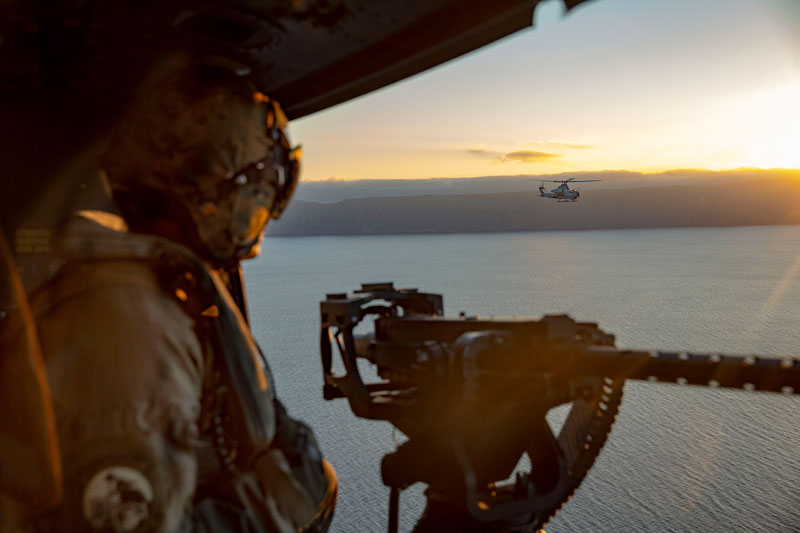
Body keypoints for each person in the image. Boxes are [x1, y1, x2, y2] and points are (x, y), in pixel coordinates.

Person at [0, 54, 336, 532]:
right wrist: (289, 501)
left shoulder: (149, 299)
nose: (263, 207)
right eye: (259, 187)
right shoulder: (131, 328)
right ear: (215, 196)